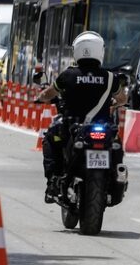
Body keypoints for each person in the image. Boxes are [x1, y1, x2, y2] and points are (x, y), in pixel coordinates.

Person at [35, 31, 127, 203]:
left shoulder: (68, 75)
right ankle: (117, 177)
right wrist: (114, 103)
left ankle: (53, 182)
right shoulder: (109, 77)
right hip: (103, 127)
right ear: (100, 51)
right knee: (116, 145)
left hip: (73, 127)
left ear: (77, 50)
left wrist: (40, 97)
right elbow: (123, 99)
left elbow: (49, 93)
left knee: (50, 138)